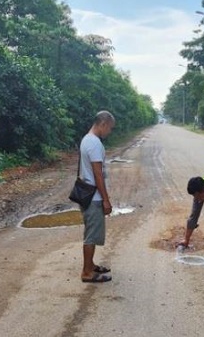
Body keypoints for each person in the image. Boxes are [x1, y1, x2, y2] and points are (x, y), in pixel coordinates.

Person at [78, 111, 116, 283]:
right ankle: (87, 272)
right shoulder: (94, 143)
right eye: (110, 128)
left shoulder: (87, 139)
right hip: (93, 197)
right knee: (91, 235)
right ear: (103, 124)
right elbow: (97, 174)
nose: (110, 132)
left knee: (90, 231)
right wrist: (106, 199)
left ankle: (90, 265)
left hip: (87, 195)